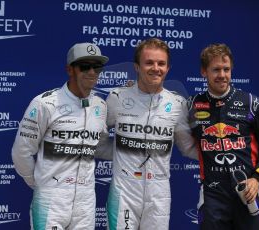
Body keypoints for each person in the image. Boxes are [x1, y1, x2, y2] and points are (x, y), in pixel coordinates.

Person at [11, 42, 109, 229]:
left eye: (97, 67)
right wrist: (41, 184)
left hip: (86, 200)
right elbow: (21, 152)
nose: (91, 72)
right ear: (70, 70)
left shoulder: (100, 106)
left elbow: (100, 146)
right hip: (51, 200)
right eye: (84, 66)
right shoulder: (45, 103)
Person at [104, 38, 197, 230]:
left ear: (168, 68)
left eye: (161, 63)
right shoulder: (117, 97)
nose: (156, 68)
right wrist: (115, 152)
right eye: (149, 63)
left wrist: (221, 154)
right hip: (124, 189)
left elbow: (188, 148)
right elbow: (95, 136)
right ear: (137, 67)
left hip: (159, 191)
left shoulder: (178, 104)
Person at [188, 43, 259, 230]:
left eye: (226, 69)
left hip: (247, 192)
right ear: (204, 71)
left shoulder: (252, 103)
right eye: (216, 69)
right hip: (213, 195)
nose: (222, 75)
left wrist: (256, 179)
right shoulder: (192, 105)